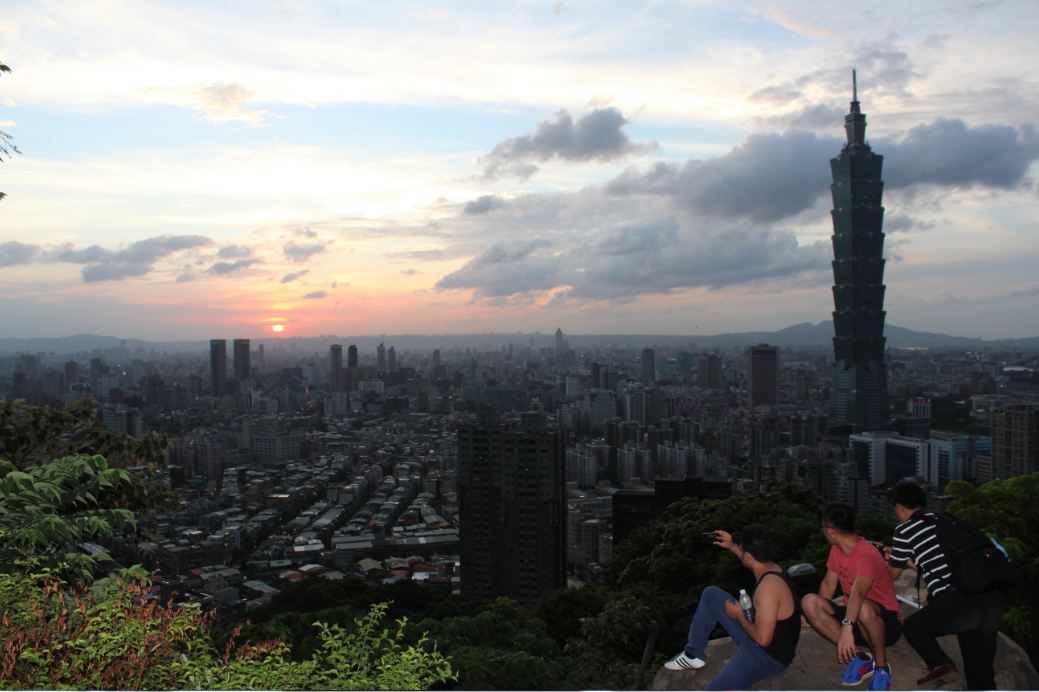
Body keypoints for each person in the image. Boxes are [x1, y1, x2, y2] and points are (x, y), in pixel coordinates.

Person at [887, 481, 1003, 690]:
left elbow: (891, 575)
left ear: (899, 507)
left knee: (914, 627)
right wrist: (906, 561)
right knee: (981, 673)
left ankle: (940, 664)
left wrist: (889, 561)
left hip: (958, 604)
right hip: (988, 599)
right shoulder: (945, 521)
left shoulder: (904, 530)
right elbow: (938, 560)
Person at [664, 527, 801, 690]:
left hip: (768, 656)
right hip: (763, 638)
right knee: (711, 595)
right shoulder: (773, 568)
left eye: (742, 550)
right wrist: (732, 546)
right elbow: (750, 560)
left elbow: (763, 640)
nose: (741, 552)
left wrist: (739, 615)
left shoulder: (768, 589)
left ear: (749, 556)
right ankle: (693, 655)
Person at [801, 503, 902, 690]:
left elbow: (858, 593)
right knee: (809, 601)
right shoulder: (837, 549)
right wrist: (814, 616)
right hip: (855, 618)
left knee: (863, 607)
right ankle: (861, 657)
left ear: (831, 531)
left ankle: (881, 668)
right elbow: (829, 583)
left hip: (884, 624)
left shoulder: (866, 554)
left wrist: (847, 627)